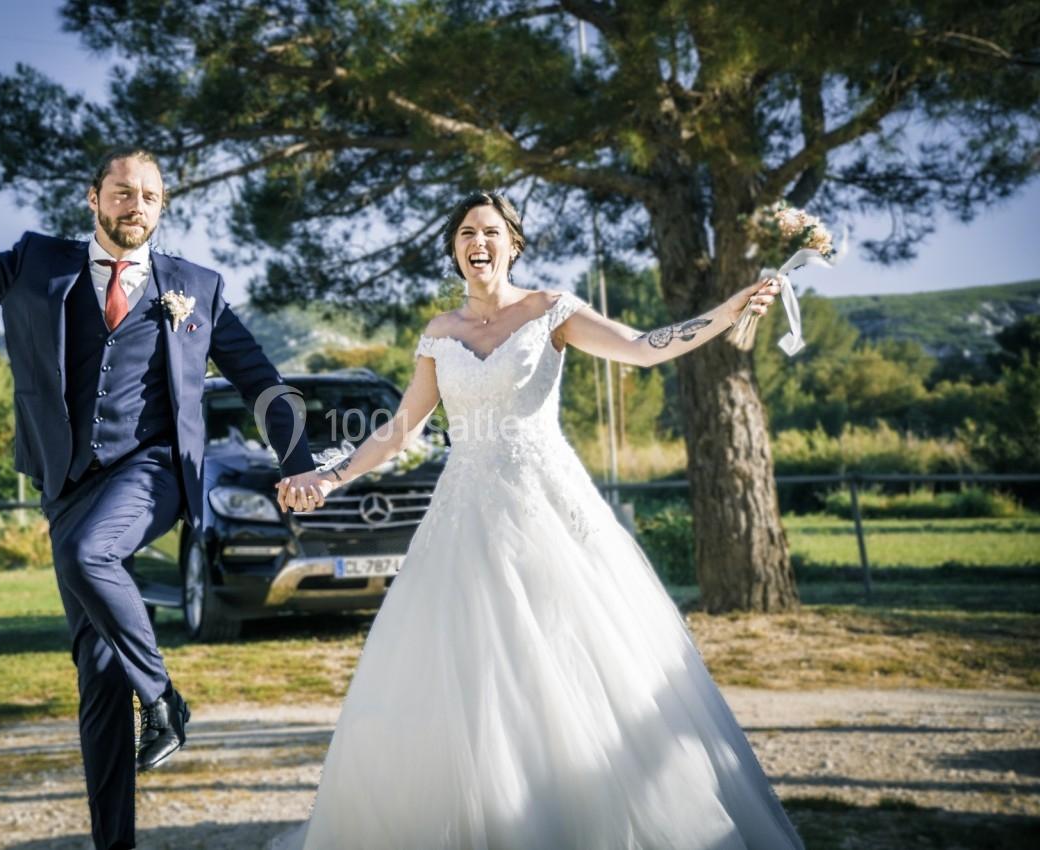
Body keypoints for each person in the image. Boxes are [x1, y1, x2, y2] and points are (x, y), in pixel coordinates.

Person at [271, 191, 803, 849]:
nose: (478, 242)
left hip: (548, 508)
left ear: (512, 244)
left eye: (490, 231)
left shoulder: (551, 310)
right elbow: (402, 428)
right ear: (455, 249)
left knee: (569, 657)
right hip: (463, 518)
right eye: (466, 232)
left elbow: (641, 348)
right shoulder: (440, 333)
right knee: (466, 669)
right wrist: (330, 475)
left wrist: (724, 313)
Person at [0, 122, 314, 850]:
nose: (136, 205)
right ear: (93, 198)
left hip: (152, 472)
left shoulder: (198, 289)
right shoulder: (35, 264)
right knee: (95, 672)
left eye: (150, 196)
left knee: (92, 553)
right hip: (65, 483)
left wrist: (299, 458)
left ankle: (163, 699)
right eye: (123, 191)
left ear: (163, 207)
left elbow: (262, 385)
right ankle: (113, 842)